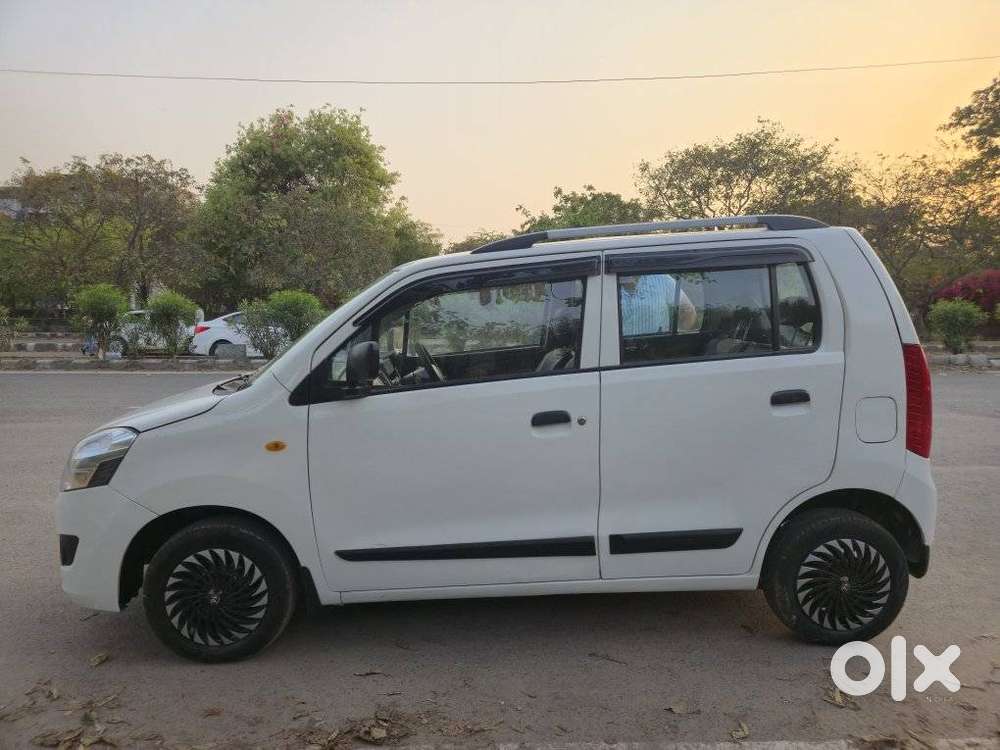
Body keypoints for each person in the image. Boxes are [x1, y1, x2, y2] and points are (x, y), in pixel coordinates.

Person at [619, 273, 697, 336]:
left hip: (655, 350)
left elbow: (688, 311)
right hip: (613, 350)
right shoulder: (608, 279)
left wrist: (677, 340)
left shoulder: (662, 279)